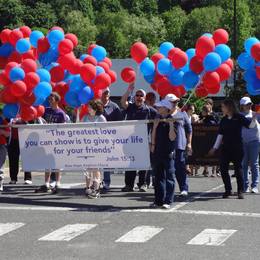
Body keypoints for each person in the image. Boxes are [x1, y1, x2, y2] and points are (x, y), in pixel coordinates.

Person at [209, 99, 258, 199]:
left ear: (229, 107)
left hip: (237, 147)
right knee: (223, 168)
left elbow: (250, 126)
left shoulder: (239, 117)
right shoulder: (223, 120)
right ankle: (228, 190)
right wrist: (214, 148)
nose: (221, 108)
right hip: (225, 148)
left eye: (223, 107)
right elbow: (220, 135)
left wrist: (253, 119)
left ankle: (240, 191)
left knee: (238, 168)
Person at [121, 83, 156, 192]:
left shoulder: (149, 110)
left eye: (141, 96)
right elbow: (123, 102)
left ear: (144, 98)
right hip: (131, 142)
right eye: (137, 95)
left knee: (143, 164)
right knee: (130, 163)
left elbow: (158, 120)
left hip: (144, 142)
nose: (139, 97)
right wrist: (128, 90)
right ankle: (129, 185)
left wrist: (153, 141)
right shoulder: (131, 107)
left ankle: (143, 184)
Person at [35, 92, 67, 194]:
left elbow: (63, 128)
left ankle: (58, 182)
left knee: (57, 163)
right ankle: (46, 183)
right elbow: (40, 119)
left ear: (57, 100)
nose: (49, 100)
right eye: (49, 99)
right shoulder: (46, 110)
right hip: (46, 140)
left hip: (57, 141)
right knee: (47, 163)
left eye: (51, 99)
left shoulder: (61, 113)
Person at [150, 99, 176, 209]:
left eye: (160, 107)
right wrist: (155, 126)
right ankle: (158, 200)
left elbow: (172, 137)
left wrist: (170, 125)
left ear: (166, 108)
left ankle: (168, 200)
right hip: (158, 152)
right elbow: (153, 135)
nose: (158, 108)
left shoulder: (172, 120)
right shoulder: (158, 119)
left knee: (169, 177)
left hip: (168, 152)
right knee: (158, 177)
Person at [165, 94, 192, 196]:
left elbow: (189, 130)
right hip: (166, 145)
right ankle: (168, 190)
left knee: (180, 168)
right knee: (168, 169)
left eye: (176, 101)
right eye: (173, 102)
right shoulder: (164, 114)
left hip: (179, 145)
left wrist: (189, 143)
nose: (176, 103)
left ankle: (184, 188)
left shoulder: (182, 113)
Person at [82, 99, 107, 199]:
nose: (88, 109)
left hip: (97, 147)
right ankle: (88, 187)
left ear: (96, 108)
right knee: (88, 168)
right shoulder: (85, 118)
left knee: (96, 168)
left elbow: (106, 132)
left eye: (90, 107)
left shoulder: (101, 118)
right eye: (88, 107)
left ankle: (96, 189)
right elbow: (79, 129)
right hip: (87, 146)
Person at [101, 88, 123, 191]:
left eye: (107, 93)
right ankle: (94, 182)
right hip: (96, 138)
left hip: (109, 138)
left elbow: (120, 122)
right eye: (104, 92)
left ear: (109, 94)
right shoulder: (96, 105)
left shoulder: (114, 106)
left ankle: (106, 182)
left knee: (106, 161)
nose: (105, 94)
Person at [240, 97, 260, 193]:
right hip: (243, 142)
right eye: (246, 104)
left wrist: (256, 117)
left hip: (254, 142)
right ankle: (245, 186)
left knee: (254, 164)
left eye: (249, 104)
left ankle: (255, 186)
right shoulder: (239, 116)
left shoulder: (256, 114)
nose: (249, 106)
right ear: (242, 106)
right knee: (244, 164)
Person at [8, 117, 32, 184]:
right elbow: (5, 123)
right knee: (13, 159)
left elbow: (32, 123)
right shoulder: (9, 113)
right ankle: (13, 178)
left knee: (27, 158)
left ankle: (28, 178)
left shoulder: (26, 111)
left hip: (25, 139)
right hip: (13, 139)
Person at [199, 104, 219, 177]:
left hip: (210, 138)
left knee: (209, 154)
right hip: (210, 138)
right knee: (209, 154)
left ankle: (209, 171)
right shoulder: (205, 118)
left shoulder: (212, 117)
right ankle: (209, 171)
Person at [185, 104, 199, 176]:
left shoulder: (192, 117)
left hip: (192, 137)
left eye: (194, 110)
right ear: (189, 110)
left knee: (190, 152)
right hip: (185, 136)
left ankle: (190, 169)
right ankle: (187, 168)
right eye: (192, 110)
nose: (193, 111)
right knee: (187, 152)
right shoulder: (185, 116)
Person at [0, 110, 10, 192]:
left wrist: (1, 131)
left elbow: (8, 133)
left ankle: (0, 184)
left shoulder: (2, 120)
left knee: (0, 167)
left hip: (1, 145)